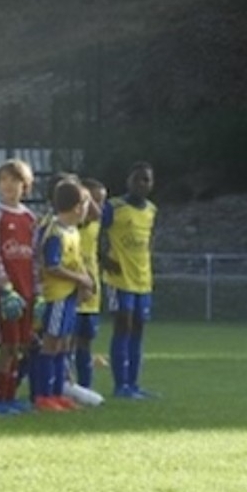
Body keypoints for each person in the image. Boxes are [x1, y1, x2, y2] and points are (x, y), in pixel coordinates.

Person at [0, 159, 38, 415]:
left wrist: (39, 291)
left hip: (27, 292)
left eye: (14, 180)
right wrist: (4, 287)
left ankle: (11, 395)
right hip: (7, 294)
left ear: (25, 186)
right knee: (7, 346)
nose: (8, 185)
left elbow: (34, 258)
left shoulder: (29, 218)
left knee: (21, 345)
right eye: (3, 180)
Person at [34, 179, 94, 412]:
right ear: (78, 207)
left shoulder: (73, 232)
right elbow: (52, 266)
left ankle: (58, 393)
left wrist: (86, 282)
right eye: (87, 204)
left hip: (69, 297)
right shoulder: (56, 233)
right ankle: (43, 396)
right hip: (56, 297)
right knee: (51, 343)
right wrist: (80, 280)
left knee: (63, 344)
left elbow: (76, 262)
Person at [101, 161, 158, 399]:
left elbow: (150, 240)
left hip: (143, 280)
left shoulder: (151, 210)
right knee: (122, 326)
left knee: (138, 329)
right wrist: (103, 259)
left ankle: (134, 384)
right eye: (137, 179)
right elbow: (94, 234)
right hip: (119, 278)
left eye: (146, 179)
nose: (141, 184)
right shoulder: (114, 207)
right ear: (129, 181)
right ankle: (120, 385)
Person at [73, 178, 107, 390]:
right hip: (73, 288)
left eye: (101, 201)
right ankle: (62, 385)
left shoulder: (95, 222)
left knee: (86, 341)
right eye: (92, 200)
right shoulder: (70, 223)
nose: (97, 206)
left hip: (92, 290)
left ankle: (85, 386)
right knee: (64, 342)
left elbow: (97, 214)